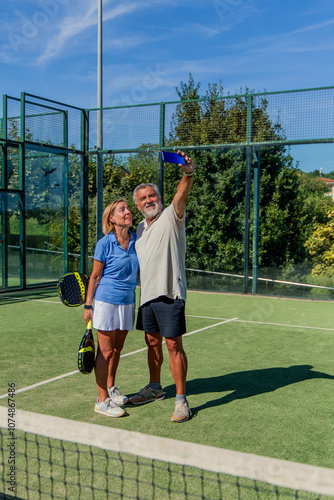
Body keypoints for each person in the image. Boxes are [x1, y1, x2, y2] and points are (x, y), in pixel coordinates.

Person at [130, 150, 195, 423]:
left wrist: (187, 172)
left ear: (159, 198)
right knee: (152, 343)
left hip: (170, 294)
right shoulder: (139, 230)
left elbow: (181, 193)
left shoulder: (171, 216)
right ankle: (155, 388)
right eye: (143, 198)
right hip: (147, 297)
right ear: (137, 205)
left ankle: (181, 401)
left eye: (152, 196)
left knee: (173, 346)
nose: (149, 201)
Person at [83, 198, 139, 418]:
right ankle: (101, 400)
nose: (127, 212)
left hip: (128, 301)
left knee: (117, 349)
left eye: (127, 208)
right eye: (121, 209)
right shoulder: (105, 243)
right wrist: (89, 305)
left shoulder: (136, 240)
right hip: (106, 300)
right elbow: (95, 276)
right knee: (105, 352)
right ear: (111, 218)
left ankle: (111, 387)